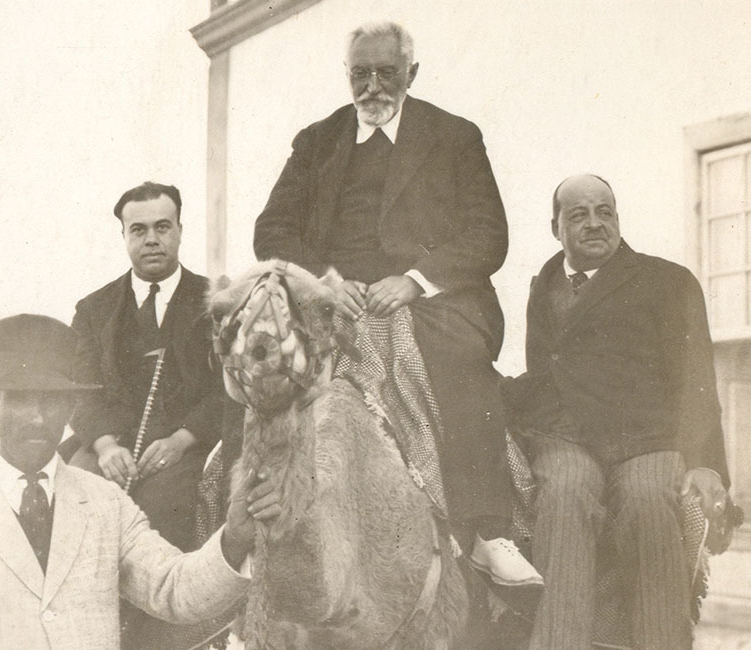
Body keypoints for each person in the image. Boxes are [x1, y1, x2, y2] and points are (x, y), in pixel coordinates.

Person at [253, 21, 539, 585]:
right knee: (265, 374)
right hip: (335, 301)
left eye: (386, 72)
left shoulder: (455, 136)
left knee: (461, 366)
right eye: (361, 74)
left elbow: (488, 234)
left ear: (412, 72)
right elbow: (272, 230)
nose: (373, 87)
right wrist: (326, 279)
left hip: (435, 300)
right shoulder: (315, 142)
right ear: (348, 77)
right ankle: (257, 533)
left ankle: (487, 532)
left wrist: (416, 279)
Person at [0, 314, 280, 650]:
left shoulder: (106, 504)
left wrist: (235, 538)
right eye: (20, 400)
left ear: (71, 408)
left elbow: (174, 589)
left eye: (51, 401)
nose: (36, 418)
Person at [502, 174, 731, 649]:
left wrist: (707, 462)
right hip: (566, 438)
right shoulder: (544, 286)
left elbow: (697, 380)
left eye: (604, 212)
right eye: (579, 214)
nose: (594, 224)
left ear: (618, 220)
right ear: (555, 227)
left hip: (644, 439)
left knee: (649, 502)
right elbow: (546, 373)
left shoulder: (667, 281)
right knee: (563, 494)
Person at [66, 181, 220, 552]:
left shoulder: (216, 301)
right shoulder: (93, 310)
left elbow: (229, 390)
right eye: (139, 230)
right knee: (79, 496)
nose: (152, 239)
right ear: (124, 235)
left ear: (180, 231)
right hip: (109, 444)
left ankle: (159, 610)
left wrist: (181, 441)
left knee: (165, 509)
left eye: (162, 227)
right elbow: (78, 390)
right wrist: (104, 447)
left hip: (187, 447)